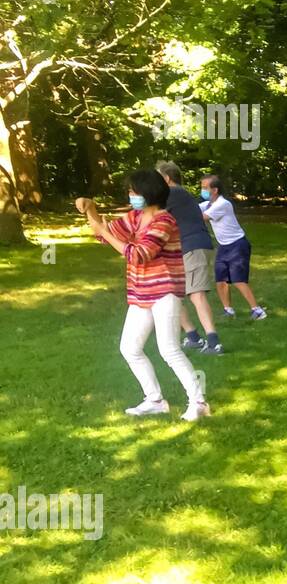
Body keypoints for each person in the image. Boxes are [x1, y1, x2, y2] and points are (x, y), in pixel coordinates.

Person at [74, 169, 210, 421]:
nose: (130, 196)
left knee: (169, 349)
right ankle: (155, 400)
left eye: (133, 192)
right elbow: (105, 234)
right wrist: (90, 208)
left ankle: (199, 403)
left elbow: (138, 254)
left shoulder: (164, 221)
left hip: (164, 291)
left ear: (148, 194)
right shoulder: (135, 217)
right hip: (141, 292)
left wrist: (104, 232)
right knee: (130, 348)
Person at [156, 162, 224, 354]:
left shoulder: (173, 193)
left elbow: (148, 212)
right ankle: (193, 337)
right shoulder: (176, 195)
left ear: (167, 179)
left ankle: (213, 342)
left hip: (193, 247)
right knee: (171, 294)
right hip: (183, 249)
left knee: (196, 294)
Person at [199, 174, 267, 320]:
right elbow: (194, 210)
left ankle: (258, 311)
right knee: (221, 280)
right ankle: (228, 311)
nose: (202, 190)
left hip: (237, 245)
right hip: (224, 247)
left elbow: (201, 218)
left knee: (238, 280)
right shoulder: (208, 204)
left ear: (215, 190)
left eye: (205, 188)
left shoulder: (223, 204)